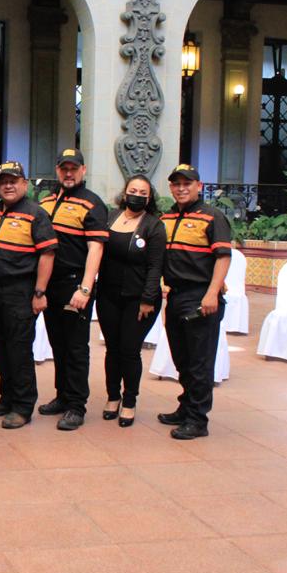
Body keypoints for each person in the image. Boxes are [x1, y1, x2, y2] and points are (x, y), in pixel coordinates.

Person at [0, 161, 57, 428]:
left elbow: (47, 254)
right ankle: (7, 398)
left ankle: (23, 406)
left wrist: (40, 292)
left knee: (19, 350)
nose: (8, 186)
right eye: (3, 181)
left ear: (24, 184)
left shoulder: (36, 214)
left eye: (13, 181)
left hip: (21, 292)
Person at [158, 164, 231, 440]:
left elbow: (223, 257)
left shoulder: (213, 217)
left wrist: (212, 293)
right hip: (176, 296)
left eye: (187, 184)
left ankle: (198, 420)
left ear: (199, 186)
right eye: (176, 184)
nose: (181, 188)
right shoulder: (165, 218)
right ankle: (186, 406)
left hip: (201, 296)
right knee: (182, 358)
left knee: (200, 362)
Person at [38, 148, 108, 431]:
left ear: (83, 170)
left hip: (74, 285)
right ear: (57, 170)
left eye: (74, 169)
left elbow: (96, 248)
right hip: (50, 285)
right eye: (64, 168)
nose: (69, 173)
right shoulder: (46, 201)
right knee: (58, 343)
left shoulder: (92, 203)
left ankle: (76, 406)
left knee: (76, 347)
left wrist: (85, 288)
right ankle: (63, 396)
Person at [96, 174, 166, 428]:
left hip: (139, 300)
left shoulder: (154, 226)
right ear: (125, 192)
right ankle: (113, 396)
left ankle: (129, 401)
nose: (137, 196)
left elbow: (156, 266)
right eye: (133, 191)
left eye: (143, 193)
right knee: (112, 349)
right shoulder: (110, 217)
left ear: (149, 198)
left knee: (129, 350)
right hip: (108, 296)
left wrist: (148, 299)